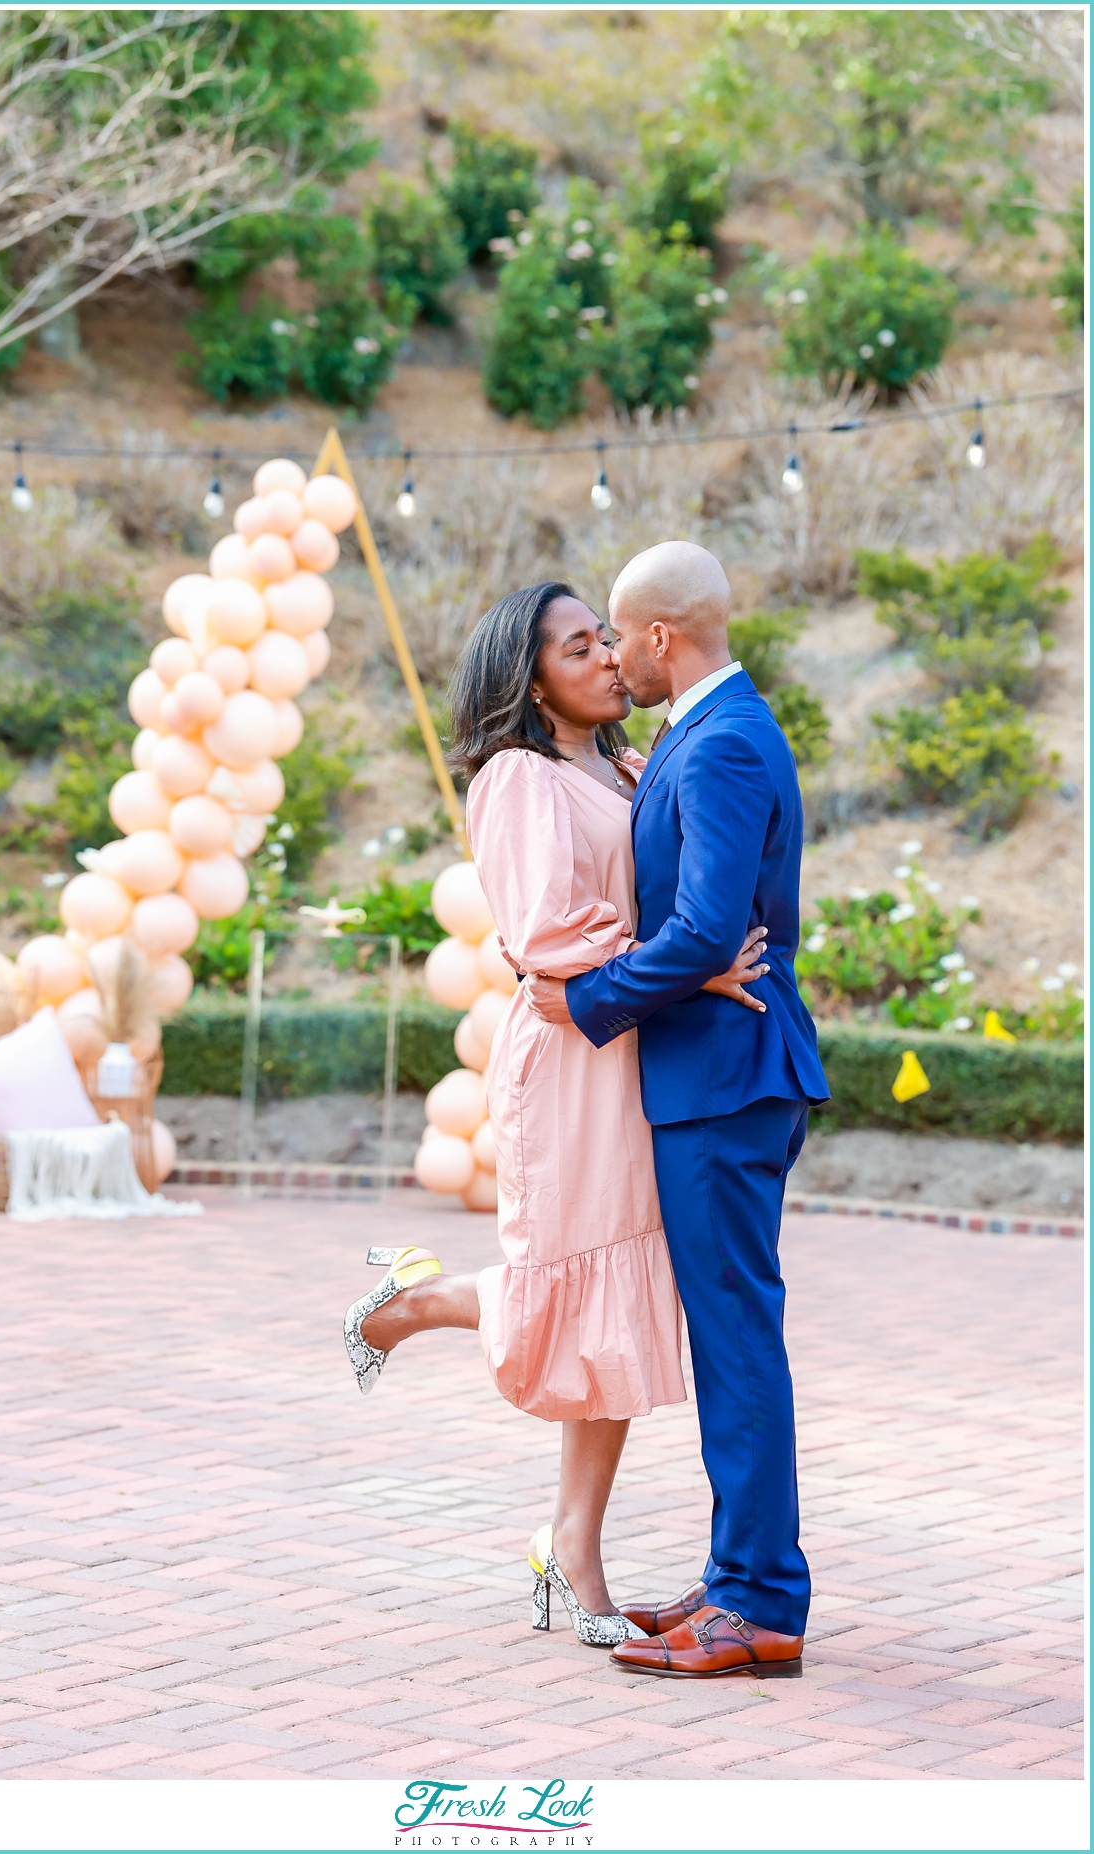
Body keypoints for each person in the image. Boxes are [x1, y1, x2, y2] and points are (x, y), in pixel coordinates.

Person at [343, 581, 769, 1650]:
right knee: (567, 1286)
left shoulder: (625, 764)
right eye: (578, 648)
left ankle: (569, 1547)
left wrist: (685, 964)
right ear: (530, 679)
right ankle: (407, 1305)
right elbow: (546, 934)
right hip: (573, 1056)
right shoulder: (519, 779)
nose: (606, 660)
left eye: (603, 640)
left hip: (632, 1046)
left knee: (612, 1303)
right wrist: (691, 971)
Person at [529, 541, 829, 1681]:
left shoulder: (721, 743)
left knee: (738, 1337)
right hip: (718, 1072)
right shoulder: (708, 731)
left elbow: (709, 931)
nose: (612, 655)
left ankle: (758, 1600)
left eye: (617, 636)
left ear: (662, 637)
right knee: (729, 1335)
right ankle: (738, 1574)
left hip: (726, 1076)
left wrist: (585, 997)